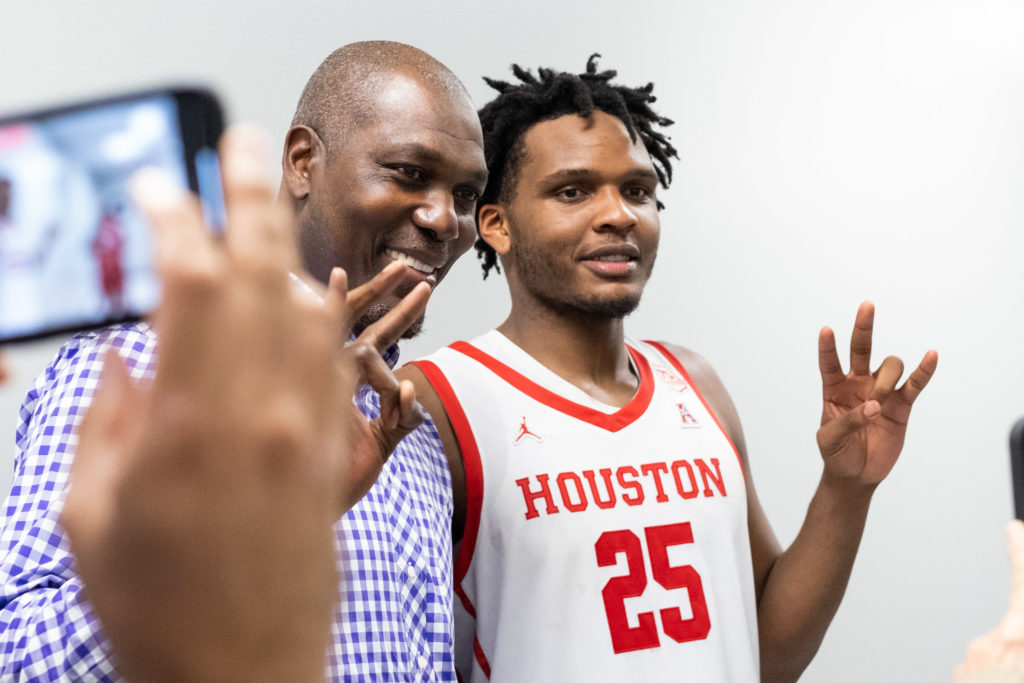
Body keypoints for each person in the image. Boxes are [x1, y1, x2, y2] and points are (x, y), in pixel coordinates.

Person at [397, 57, 938, 682]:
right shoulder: (437, 400)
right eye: (572, 191)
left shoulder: (694, 383)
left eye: (637, 191)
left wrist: (846, 490)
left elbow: (770, 656)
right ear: (497, 224)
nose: (619, 215)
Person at [0, 41, 487, 681]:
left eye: (467, 194)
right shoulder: (148, 362)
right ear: (303, 161)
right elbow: (18, 661)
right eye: (408, 172)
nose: (443, 219)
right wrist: (229, 539)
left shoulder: (413, 433)